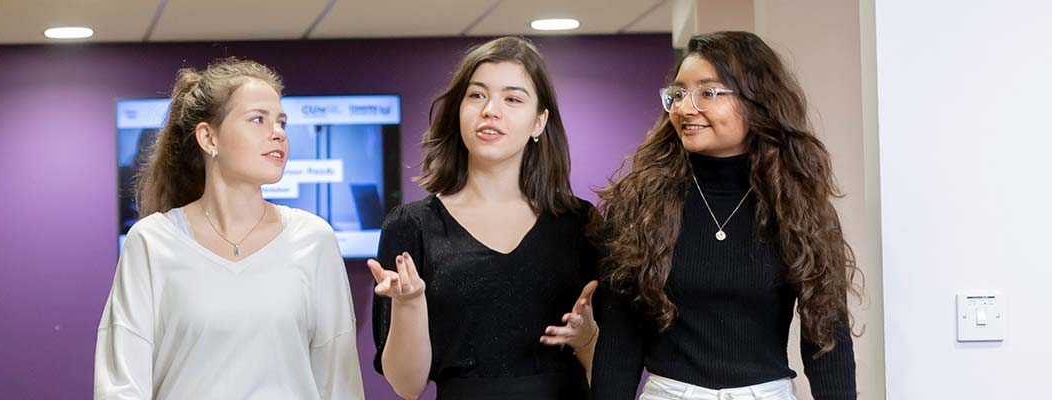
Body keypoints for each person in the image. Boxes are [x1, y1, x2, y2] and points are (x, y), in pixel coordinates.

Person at [590, 31, 860, 400]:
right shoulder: (638, 206)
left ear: (757, 101)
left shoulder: (801, 208)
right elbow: (619, 342)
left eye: (708, 92)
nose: (685, 108)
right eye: (679, 93)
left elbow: (828, 344)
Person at [93, 57, 363, 399]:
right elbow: (121, 385)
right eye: (258, 120)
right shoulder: (151, 241)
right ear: (209, 138)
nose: (277, 133)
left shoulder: (314, 239)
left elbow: (339, 383)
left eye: (281, 122)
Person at [369, 36, 601, 400]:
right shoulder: (412, 226)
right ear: (458, 110)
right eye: (476, 95)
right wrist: (409, 302)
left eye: (512, 99)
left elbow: (608, 368)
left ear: (539, 122)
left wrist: (586, 337)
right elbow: (407, 385)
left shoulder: (579, 223)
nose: (490, 110)